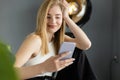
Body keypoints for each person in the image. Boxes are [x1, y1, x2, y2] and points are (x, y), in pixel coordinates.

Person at [14, 0, 91, 80]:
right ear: (42, 17)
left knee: (77, 50)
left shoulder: (59, 38)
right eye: (48, 17)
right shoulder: (35, 40)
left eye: (58, 17)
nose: (53, 22)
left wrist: (67, 18)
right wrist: (43, 67)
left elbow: (86, 45)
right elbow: (9, 72)